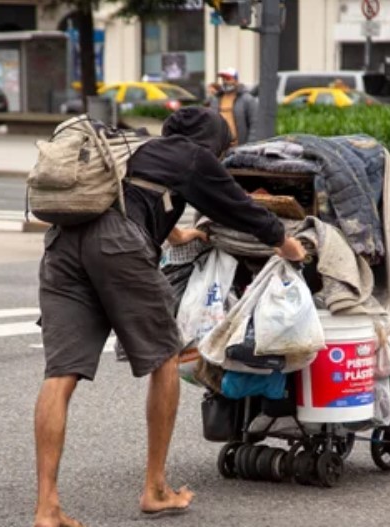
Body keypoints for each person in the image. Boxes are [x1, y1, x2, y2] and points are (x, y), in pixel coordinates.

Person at [33, 107, 306, 527]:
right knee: (165, 359)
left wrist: (177, 233)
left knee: (61, 373)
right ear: (213, 141)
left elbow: (133, 196)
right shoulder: (195, 156)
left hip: (62, 247)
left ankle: (47, 507)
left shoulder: (139, 147)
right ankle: (156, 488)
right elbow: (241, 210)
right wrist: (288, 245)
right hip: (118, 246)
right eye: (224, 145)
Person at [205, 67, 258, 146]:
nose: (225, 82)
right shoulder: (216, 99)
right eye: (223, 79)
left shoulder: (247, 99)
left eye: (228, 79)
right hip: (220, 146)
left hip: (240, 146)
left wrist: (250, 145)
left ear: (236, 80)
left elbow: (255, 124)